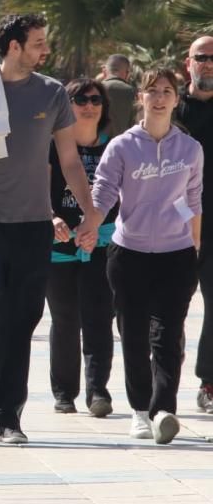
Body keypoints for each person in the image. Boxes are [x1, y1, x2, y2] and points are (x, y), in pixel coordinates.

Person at [0, 14, 100, 445]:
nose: (44, 50)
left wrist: (89, 212)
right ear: (13, 47)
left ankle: (7, 416)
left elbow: (69, 159)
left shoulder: (51, 93)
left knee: (22, 318)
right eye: (36, 43)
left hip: (34, 222)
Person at [85, 68, 202, 444]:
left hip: (176, 254)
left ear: (176, 97)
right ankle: (139, 411)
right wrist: (90, 225)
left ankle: (163, 409)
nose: (160, 98)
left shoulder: (190, 149)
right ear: (141, 97)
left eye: (167, 91)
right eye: (153, 91)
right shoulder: (122, 146)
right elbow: (103, 192)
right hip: (128, 253)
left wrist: (194, 243)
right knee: (133, 334)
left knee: (168, 337)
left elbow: (192, 200)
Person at [46, 79, 117, 418]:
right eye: (80, 99)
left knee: (100, 318)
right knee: (64, 319)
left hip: (102, 242)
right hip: (59, 246)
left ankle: (98, 390)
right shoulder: (52, 145)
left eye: (95, 99)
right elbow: (36, 188)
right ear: (67, 104)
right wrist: (52, 218)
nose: (89, 105)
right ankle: (63, 393)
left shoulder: (115, 147)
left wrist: (94, 228)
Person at [172, 35, 213, 415]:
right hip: (175, 225)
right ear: (189, 63)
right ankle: (161, 385)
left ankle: (209, 382)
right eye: (202, 58)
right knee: (169, 308)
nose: (208, 64)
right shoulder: (172, 110)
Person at [101, 54, 136, 138]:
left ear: (104, 71)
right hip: (123, 145)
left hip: (97, 145)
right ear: (127, 73)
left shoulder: (96, 89)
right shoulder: (131, 91)